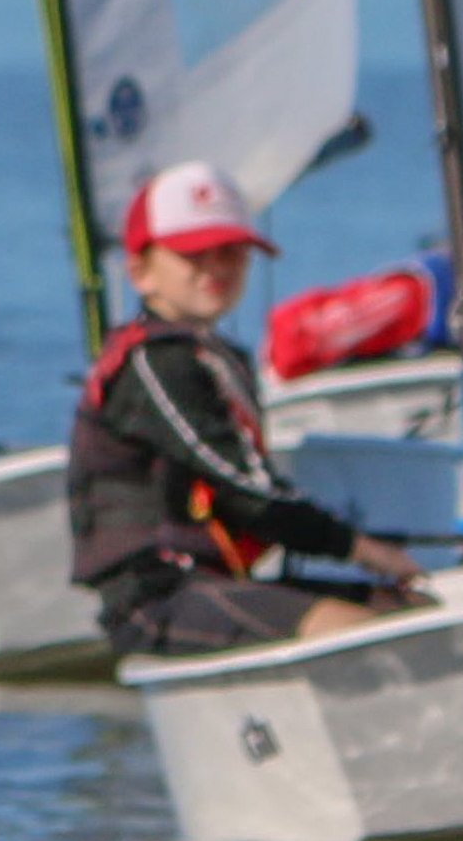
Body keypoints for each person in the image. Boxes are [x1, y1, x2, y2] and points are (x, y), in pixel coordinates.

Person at [71, 162, 425, 655]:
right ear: (141, 272)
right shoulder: (153, 362)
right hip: (156, 595)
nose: (216, 269)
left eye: (232, 252)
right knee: (354, 630)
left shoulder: (216, 356)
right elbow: (243, 489)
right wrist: (361, 549)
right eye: (194, 255)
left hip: (215, 582)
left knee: (406, 610)